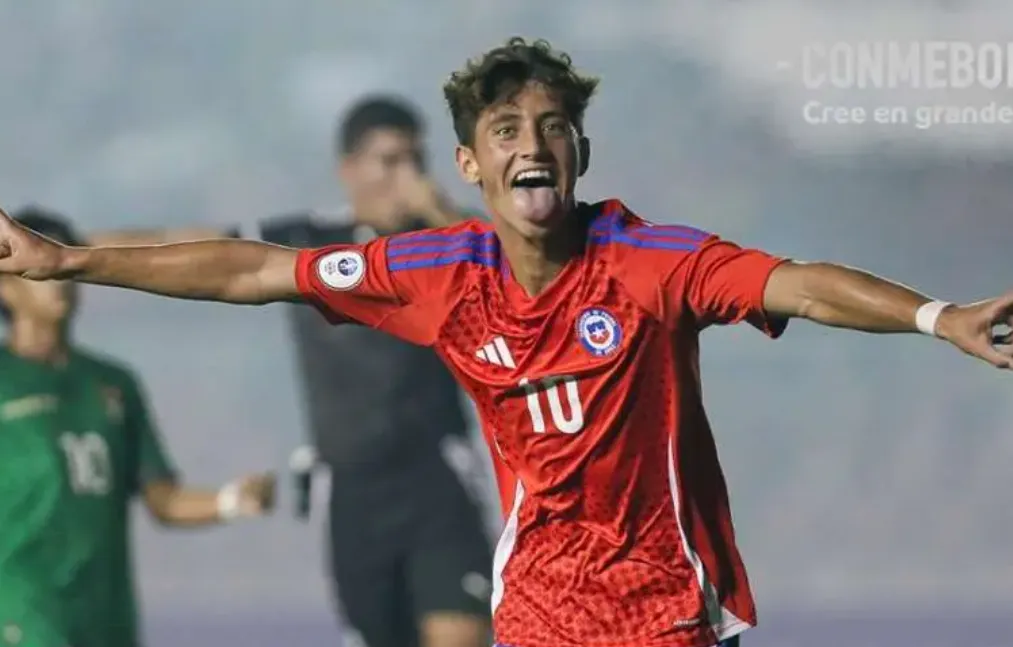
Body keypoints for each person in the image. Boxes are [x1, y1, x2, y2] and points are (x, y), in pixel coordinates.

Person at [0, 38, 1011, 647]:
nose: (531, 142)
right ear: (471, 161)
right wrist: (67, 261)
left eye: (552, 125)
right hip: (533, 615)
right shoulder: (441, 273)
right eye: (505, 128)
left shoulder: (651, 264)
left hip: (667, 614)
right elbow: (255, 269)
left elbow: (799, 281)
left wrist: (936, 315)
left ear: (577, 151)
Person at [94, 95, 496, 647]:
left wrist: (440, 208)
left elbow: (509, 271)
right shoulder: (309, 241)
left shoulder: (443, 244)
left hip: (438, 477)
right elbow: (193, 247)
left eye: (416, 161)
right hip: (352, 486)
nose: (407, 177)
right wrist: (69, 253)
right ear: (349, 170)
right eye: (390, 161)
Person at [0, 207, 276, 647]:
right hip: (21, 606)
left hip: (105, 610)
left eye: (61, 264)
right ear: (6, 286)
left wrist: (230, 501)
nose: (58, 284)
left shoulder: (112, 384)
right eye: (36, 265)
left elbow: (162, 499)